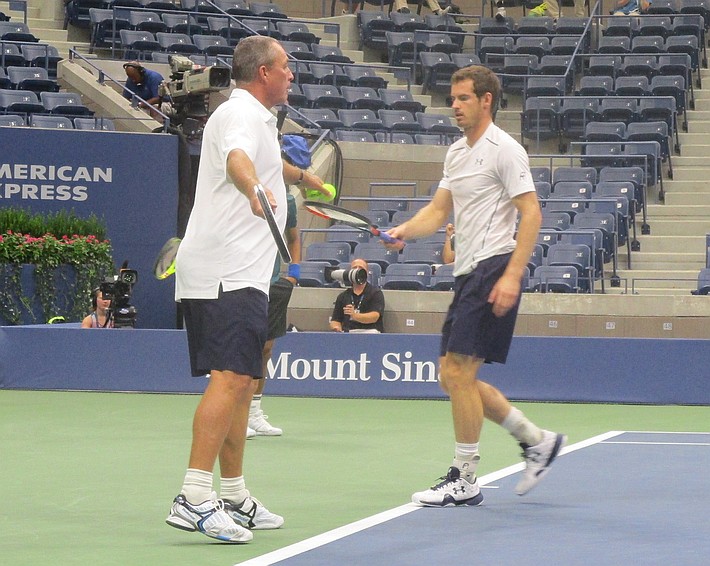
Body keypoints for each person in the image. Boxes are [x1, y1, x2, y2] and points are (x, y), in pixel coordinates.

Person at [386, 65, 566, 507]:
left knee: (459, 374)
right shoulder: (455, 154)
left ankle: (465, 478)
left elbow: (532, 213)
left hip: (494, 265)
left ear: (486, 100)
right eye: (453, 98)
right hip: (467, 271)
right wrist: (405, 230)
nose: (455, 105)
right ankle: (536, 439)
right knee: (453, 376)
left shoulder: (505, 150)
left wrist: (511, 275)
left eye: (463, 98)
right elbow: (437, 210)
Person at [166, 35, 299, 543]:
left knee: (242, 380)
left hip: (243, 269)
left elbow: (254, 160)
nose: (291, 75)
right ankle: (194, 496)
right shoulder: (240, 113)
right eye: (285, 68)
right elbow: (237, 161)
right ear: (263, 72)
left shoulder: (258, 119)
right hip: (226, 270)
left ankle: (235, 493)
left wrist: (294, 179)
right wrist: (254, 189)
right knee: (228, 378)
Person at [329, 259, 385, 333]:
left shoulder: (375, 293)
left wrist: (354, 315)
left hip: (370, 332)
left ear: (367, 273)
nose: (357, 270)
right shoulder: (343, 296)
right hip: (349, 332)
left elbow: (374, 317)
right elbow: (335, 320)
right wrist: (336, 327)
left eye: (361, 268)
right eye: (354, 268)